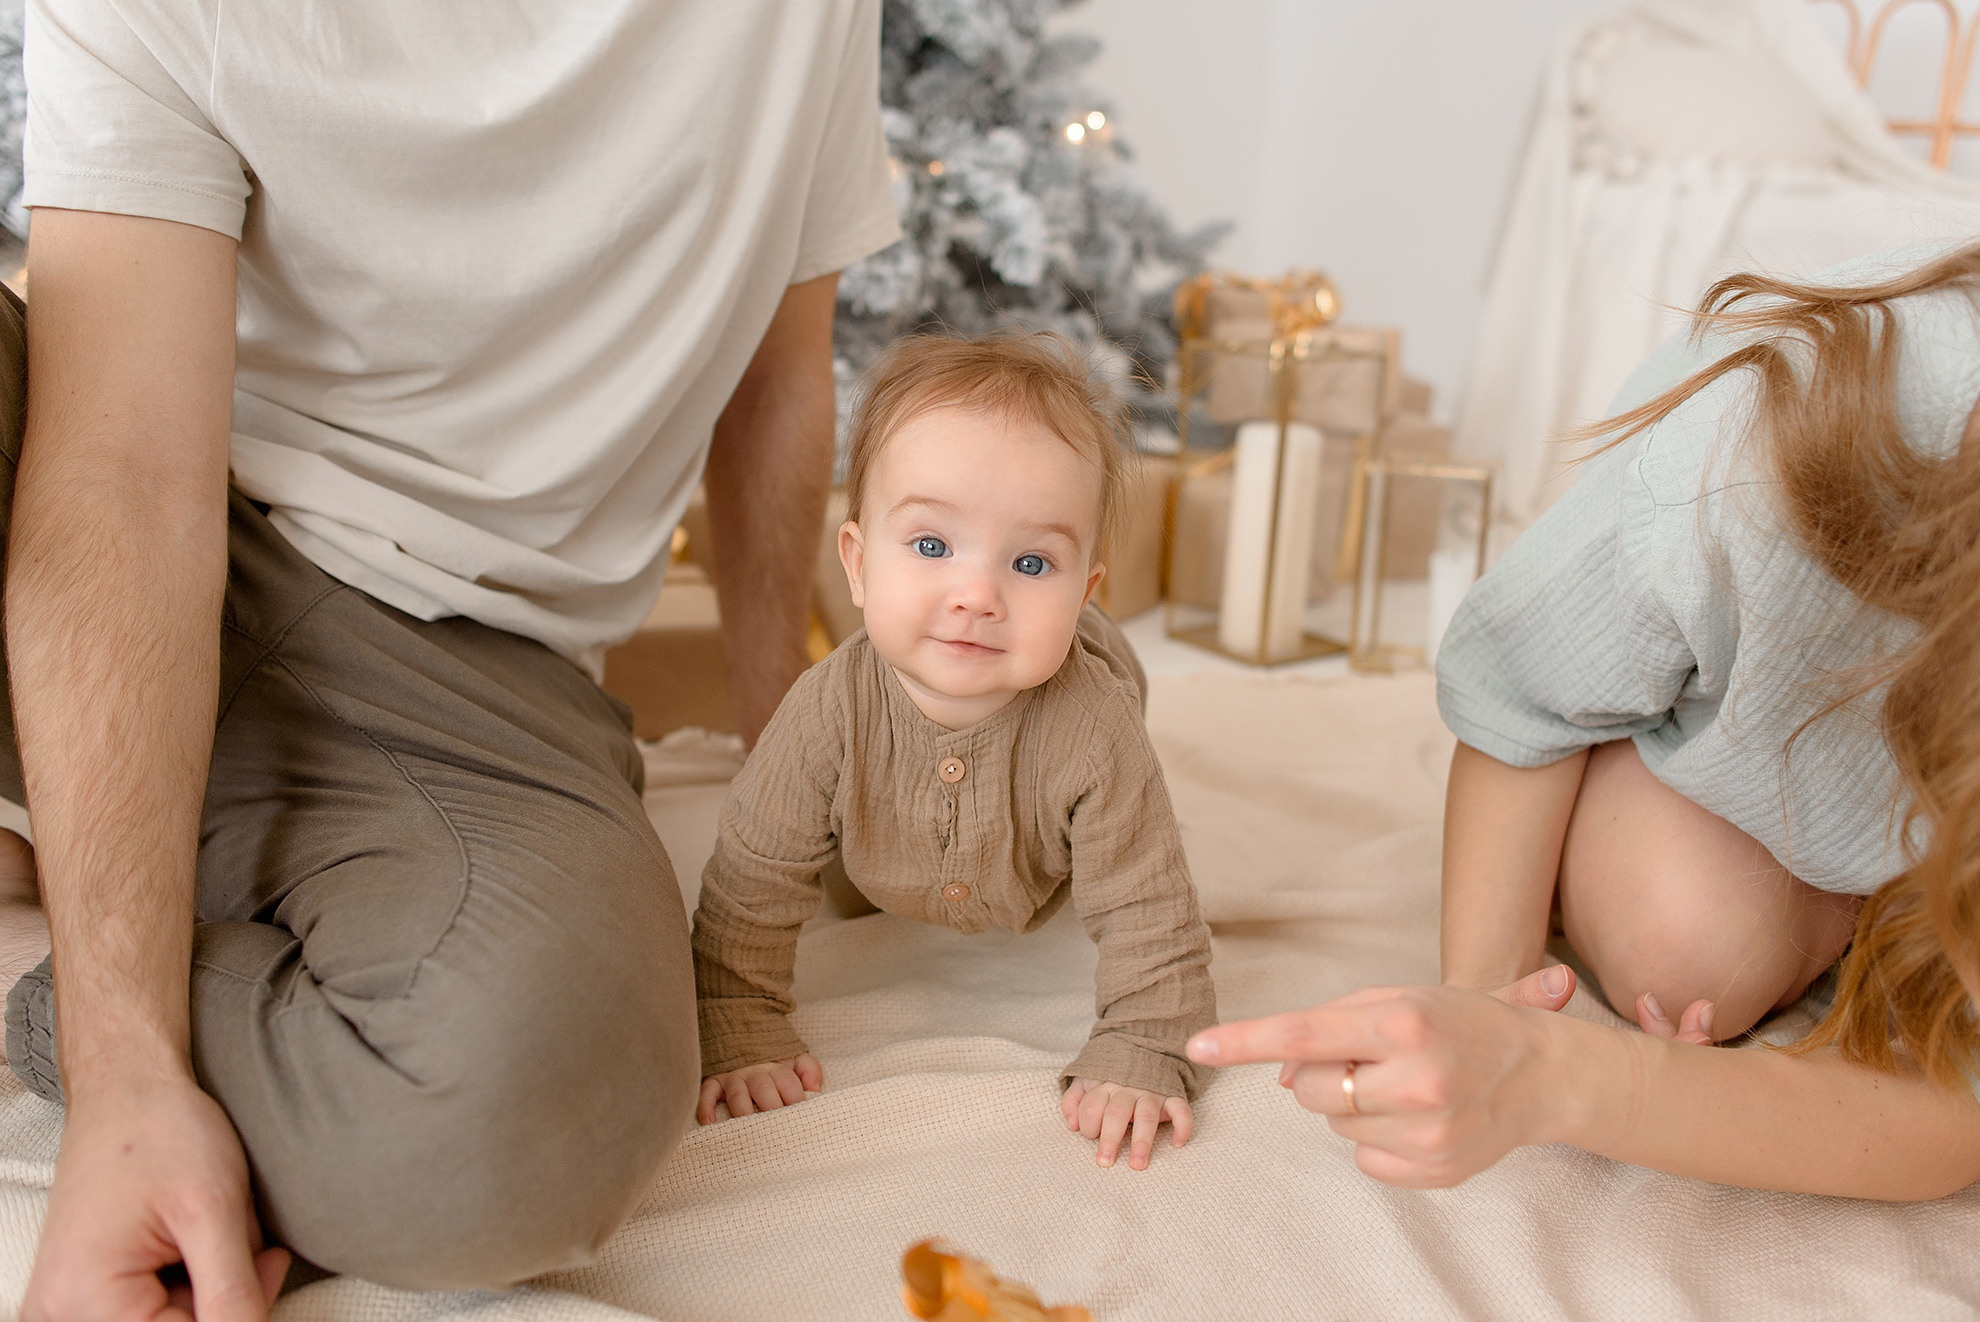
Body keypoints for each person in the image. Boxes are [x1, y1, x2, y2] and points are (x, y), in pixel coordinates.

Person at [5, 0, 900, 1310]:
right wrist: (125, 1063)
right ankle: (102, 875)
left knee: (525, 1114)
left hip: (476, 676)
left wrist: (790, 758)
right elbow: (123, 474)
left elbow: (781, 363)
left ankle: (94, 910)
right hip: (128, 491)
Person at [1187, 243, 1980, 1198]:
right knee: (1691, 959)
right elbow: (1519, 686)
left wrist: (1579, 1081)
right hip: (1765, 677)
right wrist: (1491, 1007)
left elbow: (1951, 1117)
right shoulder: (1765, 457)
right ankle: (1644, 739)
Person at [689, 333, 1216, 1172]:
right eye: (932, 546)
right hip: (869, 834)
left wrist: (1148, 1042)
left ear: (1084, 595)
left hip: (1055, 813)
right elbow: (751, 878)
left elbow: (1153, 911)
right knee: (820, 859)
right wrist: (735, 1009)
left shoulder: (1094, 727)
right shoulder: (825, 711)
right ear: (858, 566)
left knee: (1119, 848)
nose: (976, 596)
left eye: (1032, 561)